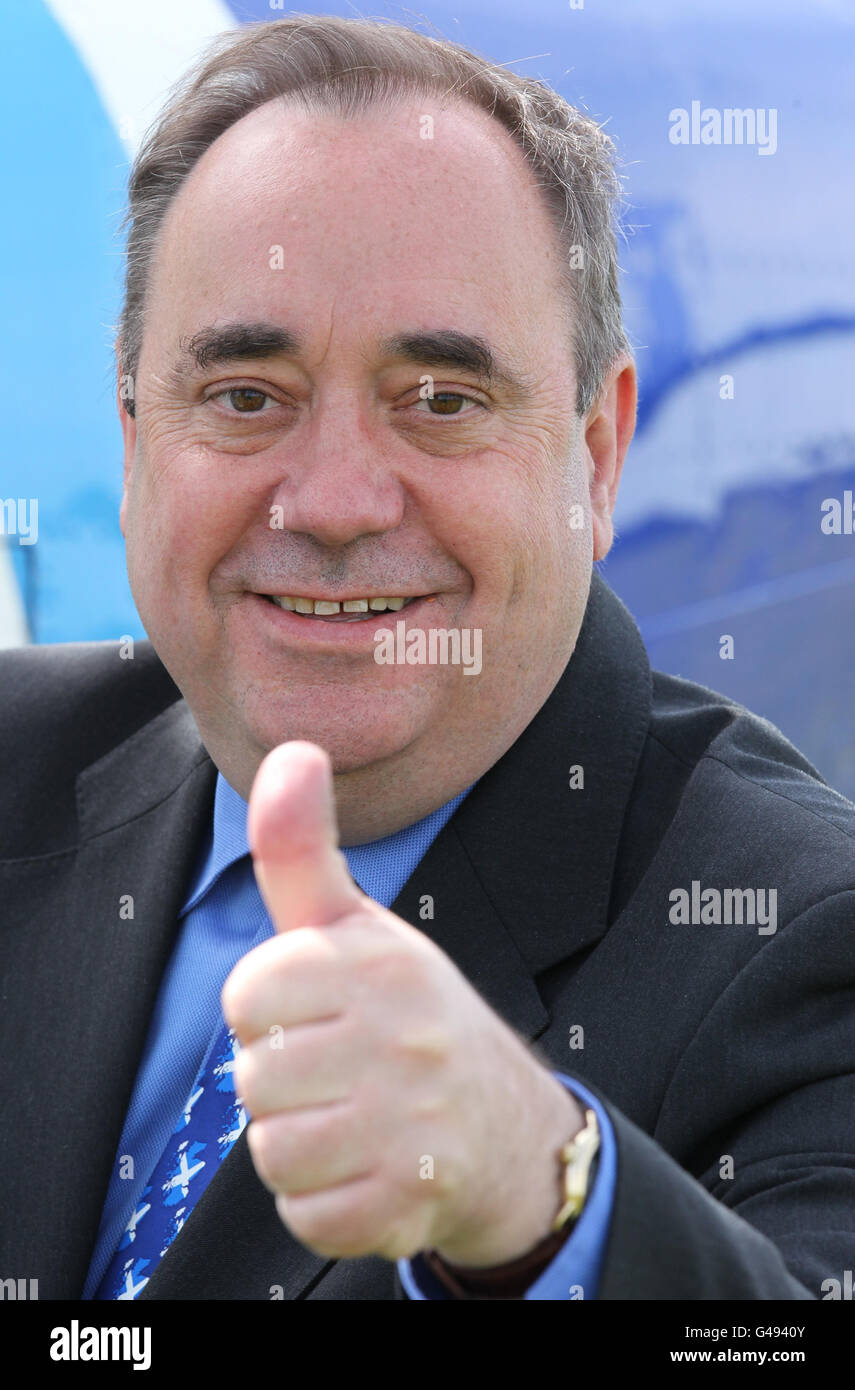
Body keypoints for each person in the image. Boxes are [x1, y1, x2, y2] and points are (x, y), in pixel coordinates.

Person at [1, 15, 852, 1302]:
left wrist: (543, 1199)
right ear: (134, 442)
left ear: (596, 453)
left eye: (441, 402)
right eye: (246, 396)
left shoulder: (800, 939)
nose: (334, 501)